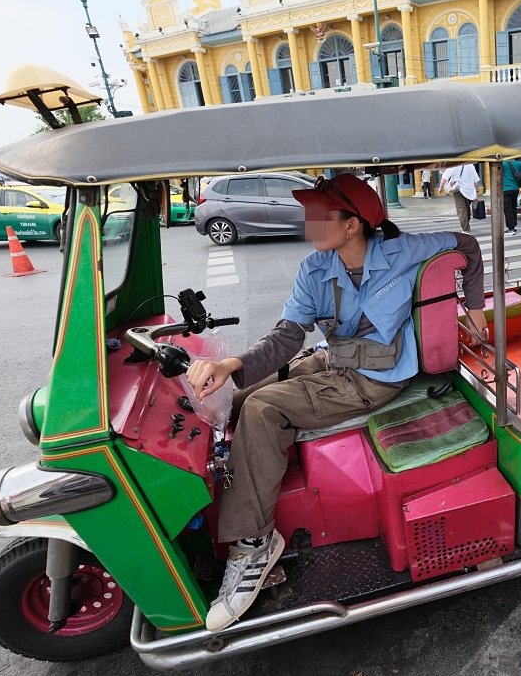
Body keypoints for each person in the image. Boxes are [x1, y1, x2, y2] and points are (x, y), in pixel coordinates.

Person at [186, 173, 488, 632]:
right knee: (240, 399)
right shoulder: (314, 269)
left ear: (352, 225)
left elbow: (467, 244)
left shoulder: (404, 251)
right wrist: (231, 365)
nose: (309, 222)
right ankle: (235, 486)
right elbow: (287, 336)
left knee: (264, 411)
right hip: (335, 361)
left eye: (319, 215)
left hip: (376, 379)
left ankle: (255, 545)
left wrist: (477, 306)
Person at [439, 162, 480, 233]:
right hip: (469, 190)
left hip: (458, 189)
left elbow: (444, 177)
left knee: (461, 209)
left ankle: (465, 228)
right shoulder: (470, 165)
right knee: (466, 208)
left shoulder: (453, 165)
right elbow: (476, 180)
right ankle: (466, 224)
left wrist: (441, 187)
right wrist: (476, 190)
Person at [501, 159, 521, 235]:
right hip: (515, 188)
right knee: (513, 207)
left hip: (506, 188)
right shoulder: (518, 163)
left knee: (507, 208)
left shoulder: (503, 163)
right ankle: (514, 224)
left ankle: (511, 228)